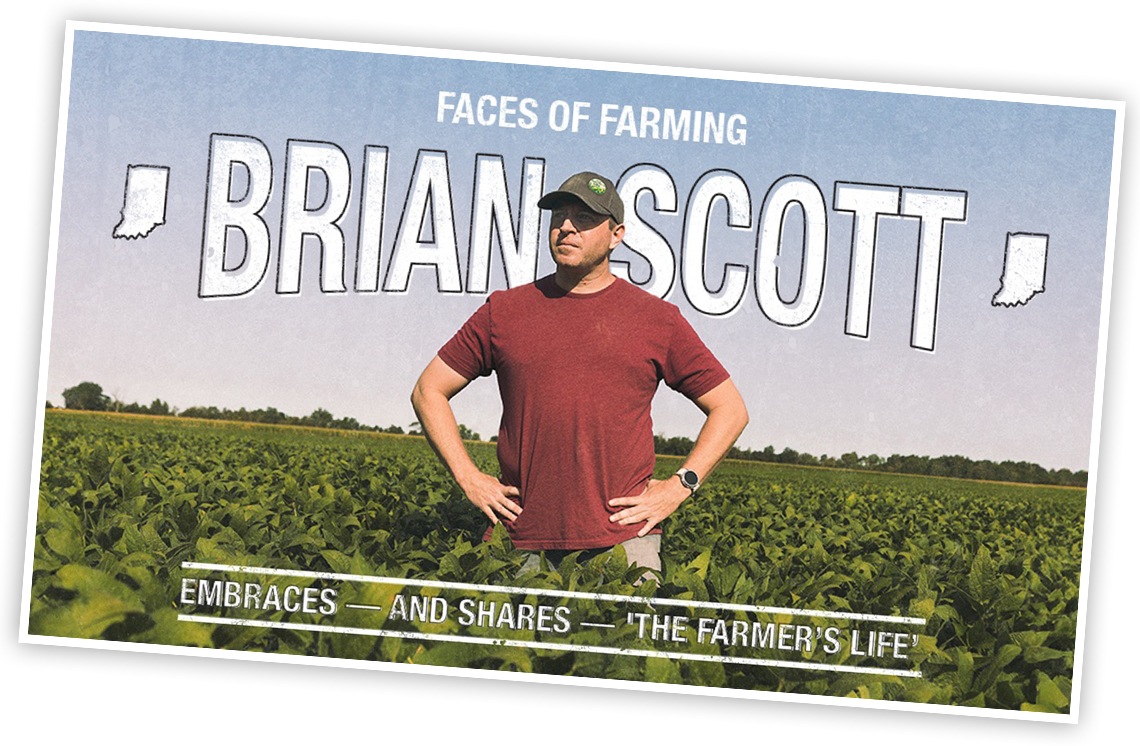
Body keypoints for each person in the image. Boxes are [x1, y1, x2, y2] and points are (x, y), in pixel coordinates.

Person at [411, 171, 748, 575]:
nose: (566, 227)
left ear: (616, 235)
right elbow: (428, 390)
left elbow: (730, 408)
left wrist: (680, 486)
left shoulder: (658, 320)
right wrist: (468, 477)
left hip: (624, 544)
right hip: (519, 542)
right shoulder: (504, 311)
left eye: (585, 218)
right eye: (559, 217)